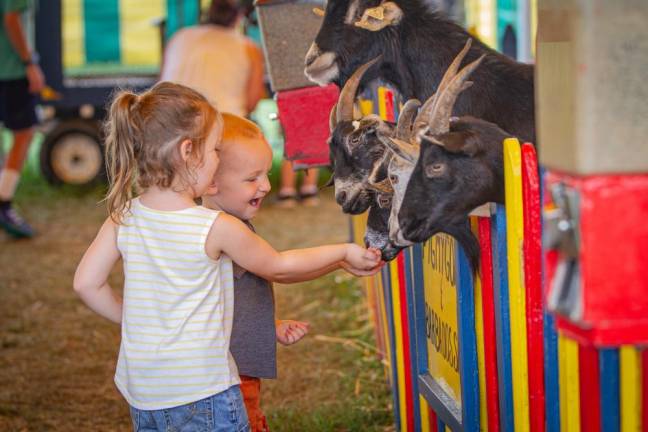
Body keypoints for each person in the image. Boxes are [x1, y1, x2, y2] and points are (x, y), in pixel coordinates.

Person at [73, 82, 381, 431]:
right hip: (205, 391)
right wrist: (342, 252)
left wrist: (132, 320)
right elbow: (278, 267)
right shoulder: (215, 227)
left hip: (144, 395)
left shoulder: (124, 215)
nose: (219, 160)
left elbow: (86, 284)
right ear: (188, 151)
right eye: (216, 149)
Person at [202, 113, 315, 431]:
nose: (266, 185)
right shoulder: (225, 232)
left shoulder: (216, 225)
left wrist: (270, 326)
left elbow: (221, 304)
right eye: (253, 177)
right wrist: (344, 254)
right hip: (228, 379)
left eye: (266, 174)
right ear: (211, 182)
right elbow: (280, 267)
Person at [160, 0, 265, 118]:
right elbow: (252, 102)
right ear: (239, 17)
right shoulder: (249, 48)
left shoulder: (179, 37)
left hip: (170, 121)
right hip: (223, 123)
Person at [0, 0, 45, 238]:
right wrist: (29, 63)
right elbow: (11, 19)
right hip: (11, 71)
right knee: (23, 133)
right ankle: (4, 203)